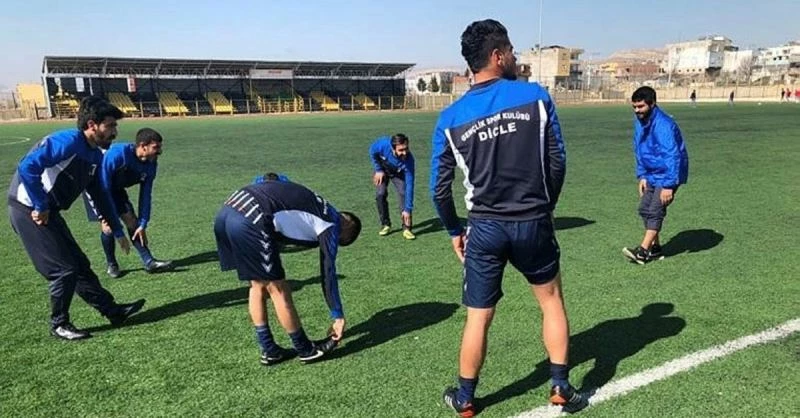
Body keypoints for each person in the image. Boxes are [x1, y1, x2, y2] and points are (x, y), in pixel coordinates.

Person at [430, 19, 582, 416]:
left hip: (483, 228)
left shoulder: (450, 118)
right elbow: (557, 160)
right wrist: (546, 207)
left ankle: (465, 397)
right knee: (551, 301)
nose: (515, 57)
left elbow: (439, 190)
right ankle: (560, 385)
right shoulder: (535, 97)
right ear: (498, 56)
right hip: (532, 221)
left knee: (478, 317)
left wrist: (453, 230)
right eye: (512, 50)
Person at [7, 96, 146, 340]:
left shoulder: (95, 155)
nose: (114, 132)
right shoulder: (68, 141)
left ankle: (113, 311)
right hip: (28, 209)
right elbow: (27, 167)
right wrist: (40, 204)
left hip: (48, 211)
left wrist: (117, 231)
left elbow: (100, 195)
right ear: (92, 125)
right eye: (110, 126)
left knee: (79, 265)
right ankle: (59, 324)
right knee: (63, 270)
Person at [213, 179, 362, 366]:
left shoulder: (319, 204)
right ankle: (305, 349)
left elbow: (274, 180)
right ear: (345, 233)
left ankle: (269, 349)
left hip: (229, 209)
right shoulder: (332, 225)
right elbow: (328, 272)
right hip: (252, 218)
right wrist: (337, 315)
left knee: (257, 285)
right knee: (278, 288)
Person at [84, 128, 173, 278]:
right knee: (108, 227)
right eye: (156, 147)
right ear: (143, 146)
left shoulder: (151, 164)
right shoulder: (118, 154)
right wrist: (117, 230)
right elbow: (103, 188)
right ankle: (112, 264)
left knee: (133, 223)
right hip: (97, 189)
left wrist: (143, 223)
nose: (159, 151)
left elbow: (146, 195)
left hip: (116, 189)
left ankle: (149, 261)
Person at [623, 86, 689, 264]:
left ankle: (642, 251)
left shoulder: (664, 125)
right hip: (651, 172)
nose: (637, 111)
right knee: (644, 208)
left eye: (641, 107)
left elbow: (672, 155)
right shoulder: (640, 122)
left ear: (652, 104)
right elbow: (639, 149)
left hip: (668, 174)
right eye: (634, 107)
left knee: (655, 210)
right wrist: (643, 175)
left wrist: (669, 185)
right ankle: (655, 248)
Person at [369, 134, 416, 240]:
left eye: (406, 148)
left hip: (398, 173)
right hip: (383, 169)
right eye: (401, 150)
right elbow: (372, 151)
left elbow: (410, 185)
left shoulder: (409, 160)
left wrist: (408, 209)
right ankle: (385, 224)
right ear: (392, 148)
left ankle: (407, 228)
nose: (405, 153)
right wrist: (378, 170)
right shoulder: (382, 145)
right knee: (380, 194)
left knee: (403, 192)